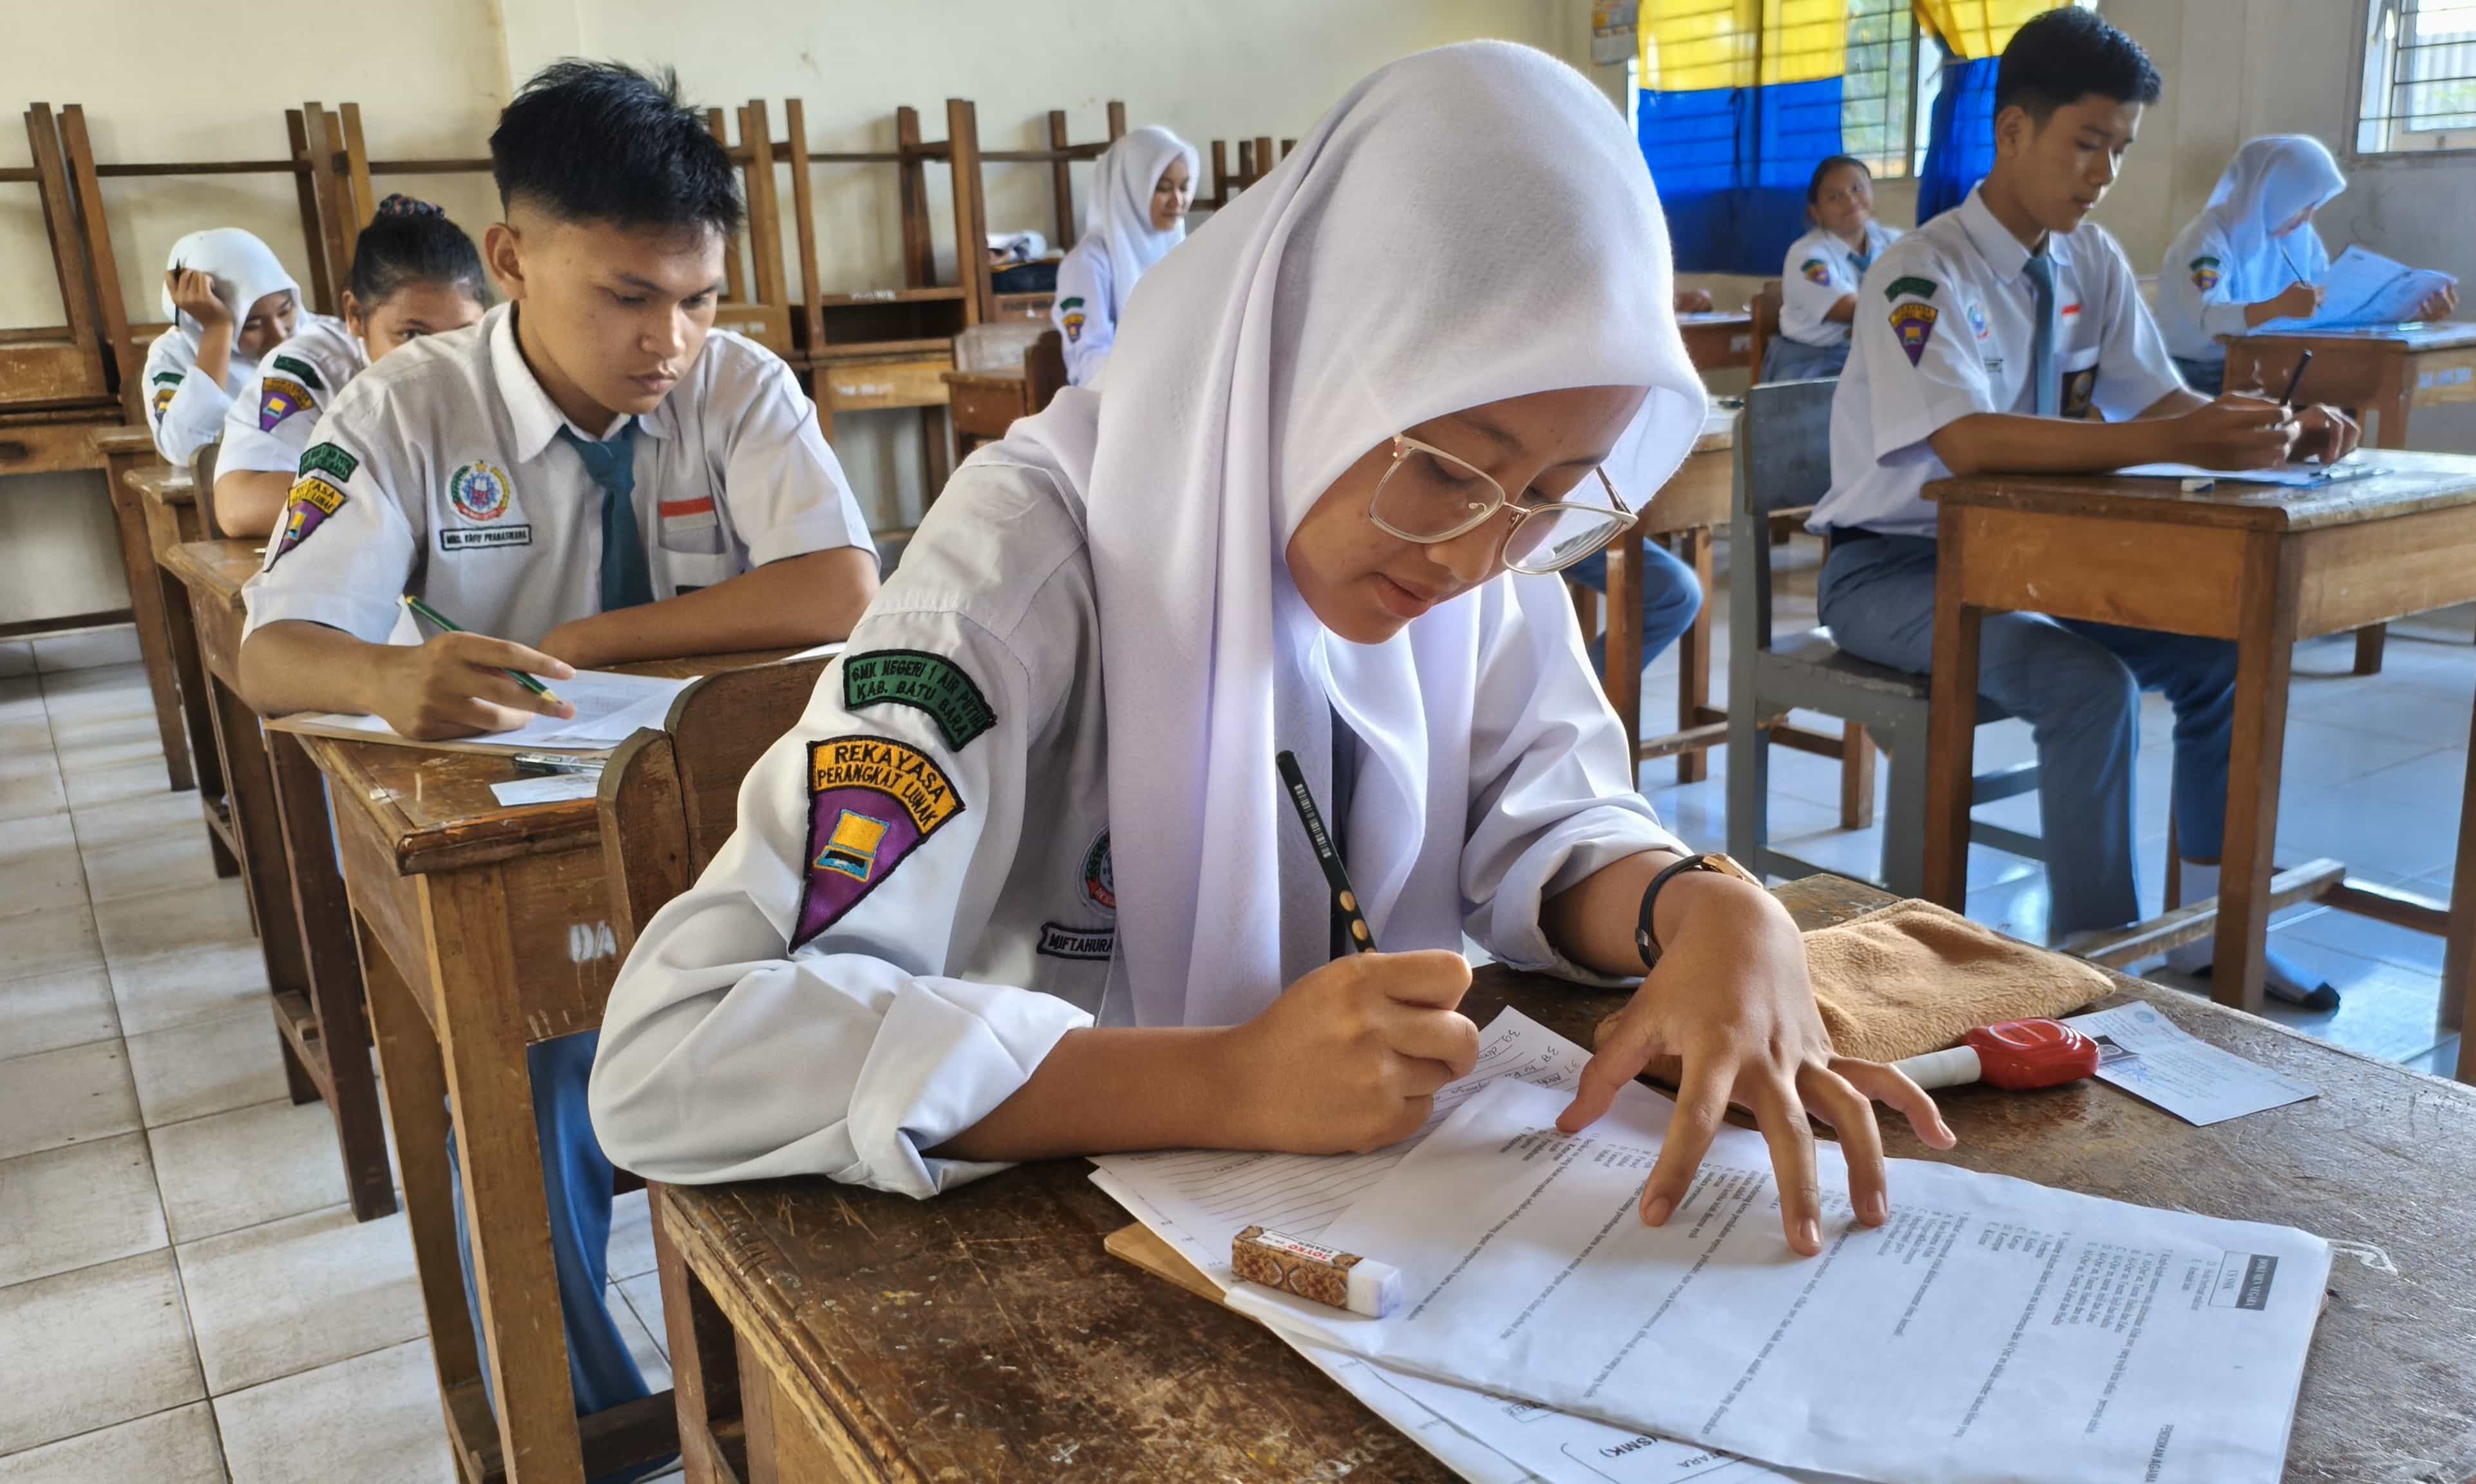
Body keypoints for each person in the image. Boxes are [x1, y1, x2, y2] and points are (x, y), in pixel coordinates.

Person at [590, 41, 1954, 1261]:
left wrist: (1698, 908)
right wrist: (1223, 1080)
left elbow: (1542, 812)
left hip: (1362, 1226)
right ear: (1304, 365)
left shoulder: (1469, 544)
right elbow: (677, 1048)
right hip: (1044, 1224)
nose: (1483, 553)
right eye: (1448, 471)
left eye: (1551, 493)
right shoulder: (1020, 574)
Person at [236, 62, 880, 1476]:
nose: (671, 339)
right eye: (629, 296)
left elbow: (838, 587)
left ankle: (798, 1404)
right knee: (536, 1092)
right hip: (515, 829)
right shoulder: (404, 414)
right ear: (514, 258)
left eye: (698, 296)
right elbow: (275, 652)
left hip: (728, 823)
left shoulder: (734, 384)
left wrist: (590, 638)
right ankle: (594, 1433)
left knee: (866, 1023)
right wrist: (388, 673)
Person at [1806, 8, 2363, 1009]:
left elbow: (2157, 401)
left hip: (2029, 563)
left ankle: (2206, 931)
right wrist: (2174, 438)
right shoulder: (1919, 271)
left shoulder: (2092, 261)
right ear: (2013, 132)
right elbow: (1970, 441)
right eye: (2087, 143)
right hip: (1891, 571)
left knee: (2218, 656)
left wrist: (2260, 426)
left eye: (2121, 150)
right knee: (2090, 684)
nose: (2103, 172)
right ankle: (2097, 964)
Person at [210, 196, 491, 538]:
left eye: (463, 336)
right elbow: (240, 503)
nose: (442, 359)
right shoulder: (309, 371)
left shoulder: (501, 356)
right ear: (356, 315)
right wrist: (417, 508)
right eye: (413, 335)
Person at [2159, 135, 2456, 393]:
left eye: (2314, 206)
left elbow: (2324, 312)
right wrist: (2277, 308)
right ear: (2272, 192)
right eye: (2302, 204)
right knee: (2312, 399)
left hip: (2269, 363)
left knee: (2340, 389)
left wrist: (2409, 314)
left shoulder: (2299, 238)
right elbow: (2211, 318)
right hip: (2200, 372)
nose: (2307, 217)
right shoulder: (2207, 241)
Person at [142, 229, 338, 464]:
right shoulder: (173, 354)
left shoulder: (330, 336)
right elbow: (186, 450)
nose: (278, 335)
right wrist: (217, 331)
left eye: (285, 311)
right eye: (252, 325)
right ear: (198, 321)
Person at [1052, 126, 1197, 385]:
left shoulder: (1181, 253)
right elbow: (1089, 362)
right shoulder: (1088, 263)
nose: (1178, 200)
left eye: (1184, 187)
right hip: (1115, 407)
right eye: (1163, 188)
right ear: (1130, 189)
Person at [1763, 155, 1903, 383]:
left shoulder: (1895, 242)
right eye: (1835, 197)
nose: (1849, 199)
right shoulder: (1807, 256)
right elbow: (1852, 311)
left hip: (1870, 354)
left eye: (1857, 188)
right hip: (1812, 362)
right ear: (1816, 212)